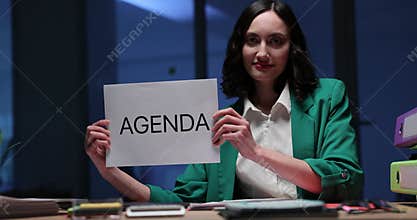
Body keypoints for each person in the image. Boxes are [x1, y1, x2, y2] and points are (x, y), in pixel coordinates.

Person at [85, 0, 363, 202]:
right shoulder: (220, 122)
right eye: (252, 41)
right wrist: (110, 171)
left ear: (293, 50)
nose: (262, 53)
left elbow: (344, 178)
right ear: (239, 49)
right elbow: (181, 201)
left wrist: (256, 153)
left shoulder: (328, 95)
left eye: (276, 41)